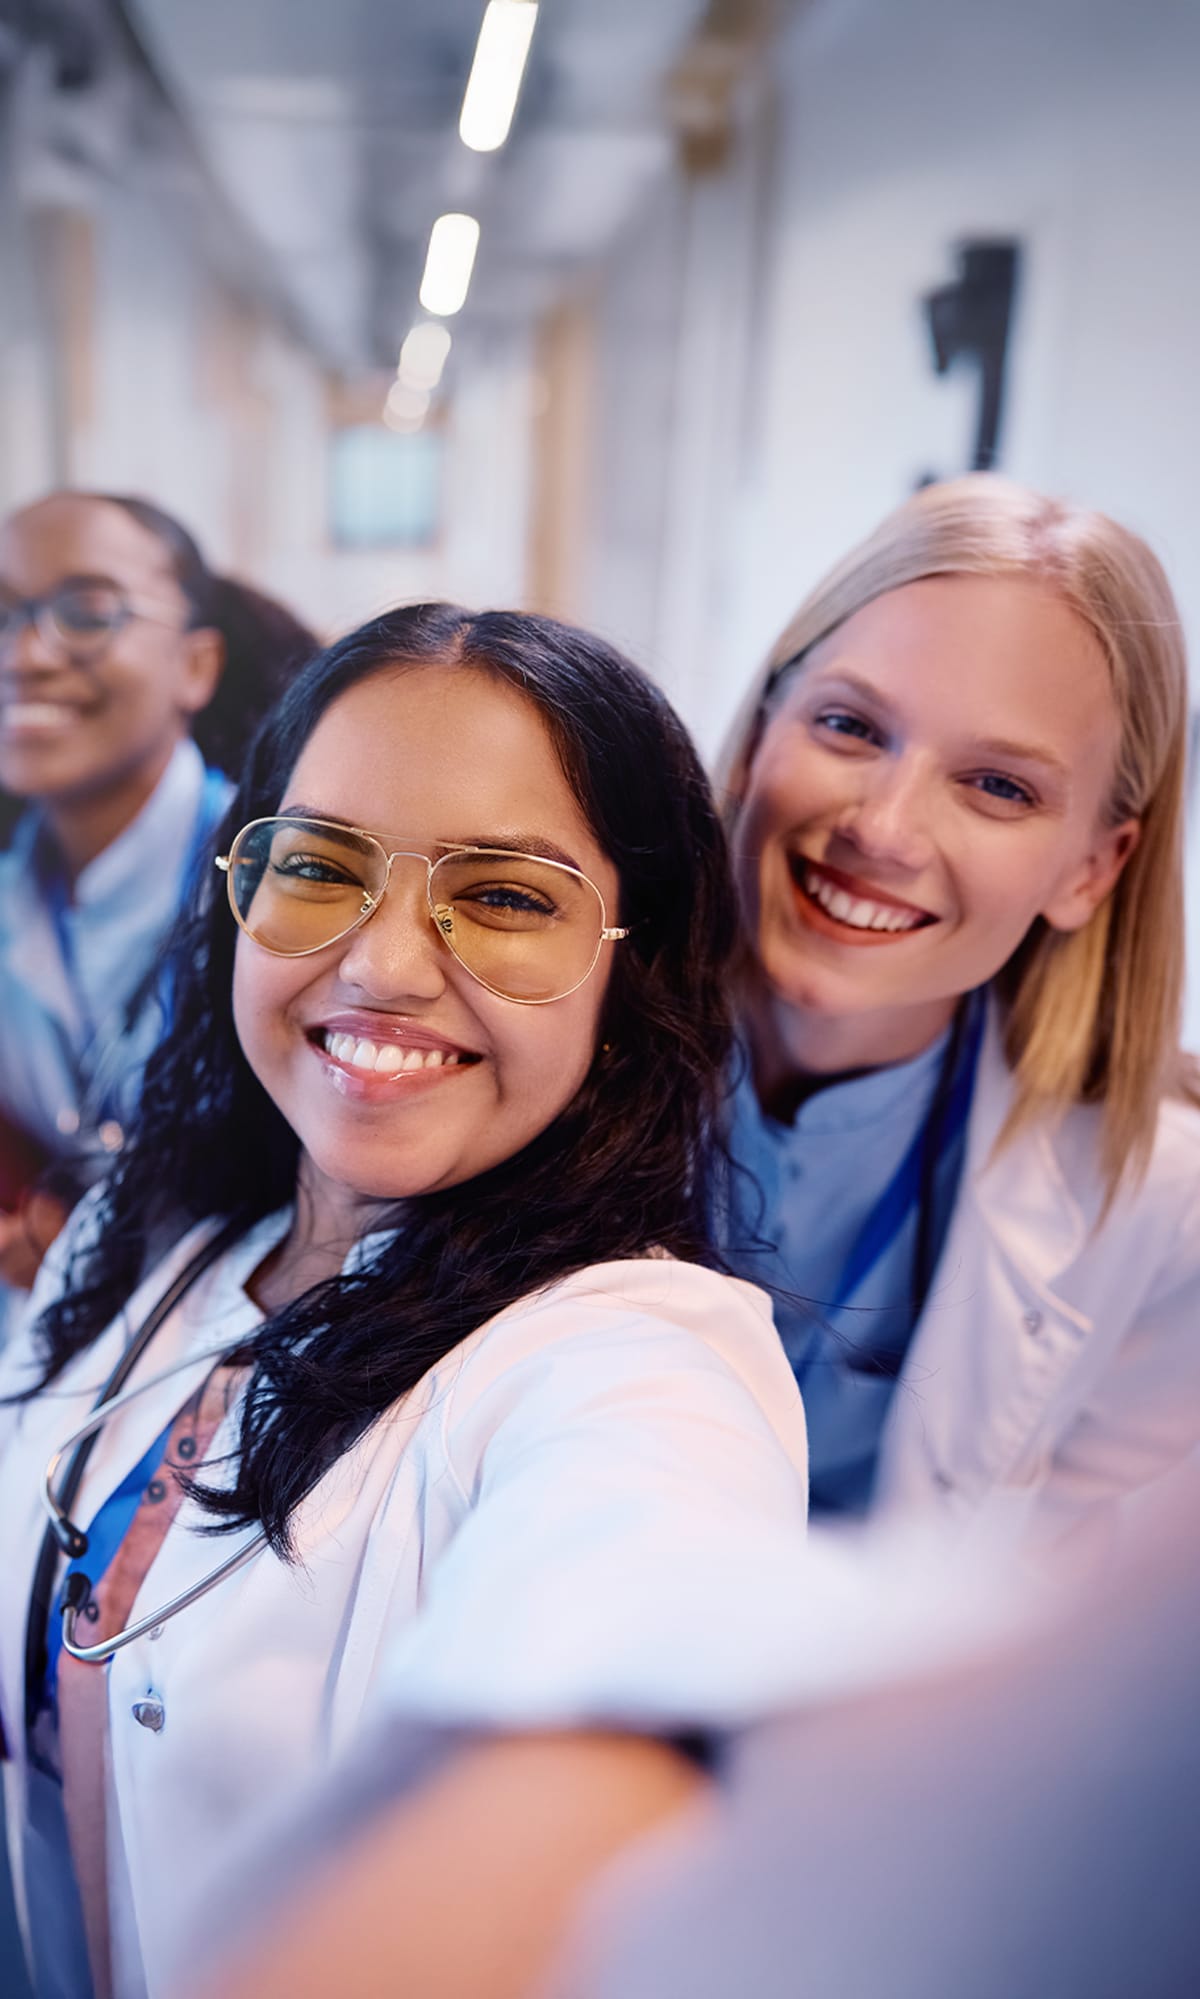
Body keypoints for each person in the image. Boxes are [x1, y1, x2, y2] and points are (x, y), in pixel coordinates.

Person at [0, 603, 808, 1999]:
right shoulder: (141, 1246)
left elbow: (639, 1607)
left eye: (505, 896)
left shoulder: (635, 1354)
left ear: (630, 962)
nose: (382, 964)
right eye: (320, 866)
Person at [716, 474, 1200, 1537]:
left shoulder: (1163, 1211)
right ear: (758, 736)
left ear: (1093, 868)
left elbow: (1055, 1606)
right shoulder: (526, 1042)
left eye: (999, 786)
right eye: (850, 725)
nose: (883, 830)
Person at [0, 491, 317, 1294]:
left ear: (196, 665)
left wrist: (115, 1238)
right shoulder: (14, 890)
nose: (25, 655)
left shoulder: (289, 886)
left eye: (86, 612)